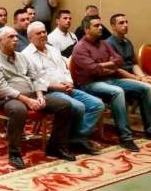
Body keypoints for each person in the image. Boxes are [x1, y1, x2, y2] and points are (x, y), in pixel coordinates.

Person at [0, 26, 74, 169]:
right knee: (19, 110)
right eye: (11, 37)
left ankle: (56, 146)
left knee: (65, 105)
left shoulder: (22, 57)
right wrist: (27, 100)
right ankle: (14, 153)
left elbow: (35, 78)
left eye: (16, 36)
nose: (15, 39)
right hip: (7, 98)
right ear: (0, 41)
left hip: (31, 94)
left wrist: (39, 96)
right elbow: (1, 88)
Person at [71, 15, 151, 151]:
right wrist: (108, 65)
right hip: (90, 84)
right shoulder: (80, 47)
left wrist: (103, 66)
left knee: (147, 88)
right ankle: (125, 137)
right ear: (86, 29)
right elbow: (93, 69)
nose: (101, 28)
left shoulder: (104, 43)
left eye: (101, 25)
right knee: (117, 92)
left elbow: (119, 61)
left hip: (111, 79)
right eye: (96, 26)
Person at [22, 22, 104, 154]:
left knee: (97, 105)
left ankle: (76, 138)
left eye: (44, 32)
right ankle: (74, 140)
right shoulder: (25, 55)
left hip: (66, 88)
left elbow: (65, 70)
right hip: (47, 92)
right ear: (30, 38)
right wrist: (57, 86)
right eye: (38, 33)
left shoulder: (53, 50)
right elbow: (32, 81)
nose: (43, 35)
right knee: (78, 106)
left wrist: (69, 82)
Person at [106, 13, 151, 91]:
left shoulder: (128, 42)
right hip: (120, 78)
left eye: (126, 22)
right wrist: (137, 78)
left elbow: (134, 65)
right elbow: (116, 70)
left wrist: (142, 77)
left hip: (134, 75)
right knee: (149, 86)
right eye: (121, 23)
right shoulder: (109, 43)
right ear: (113, 26)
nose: (126, 25)